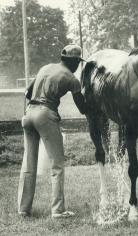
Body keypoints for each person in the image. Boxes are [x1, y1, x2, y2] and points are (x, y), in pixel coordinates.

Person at [18, 44, 88, 218]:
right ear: (74, 62)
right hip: (45, 115)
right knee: (57, 165)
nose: (78, 65)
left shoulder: (46, 67)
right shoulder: (72, 78)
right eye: (78, 62)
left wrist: (28, 112)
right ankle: (58, 210)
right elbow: (82, 108)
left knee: (28, 165)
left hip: (28, 114)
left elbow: (27, 93)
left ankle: (23, 209)